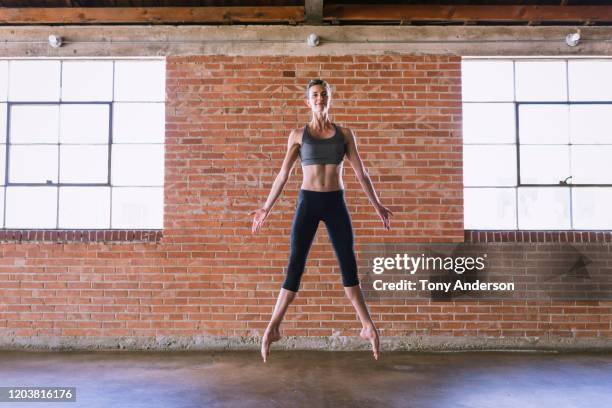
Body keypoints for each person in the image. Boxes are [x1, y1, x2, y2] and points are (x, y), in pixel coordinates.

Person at [250, 79, 393, 363]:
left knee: (348, 263)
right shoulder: (297, 136)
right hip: (309, 203)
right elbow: (283, 175)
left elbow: (361, 173)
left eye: (324, 94)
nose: (319, 98)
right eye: (314, 95)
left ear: (330, 99)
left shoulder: (345, 134)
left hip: (335, 203)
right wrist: (265, 207)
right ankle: (274, 326)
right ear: (307, 101)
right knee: (295, 264)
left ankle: (366, 326)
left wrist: (376, 204)